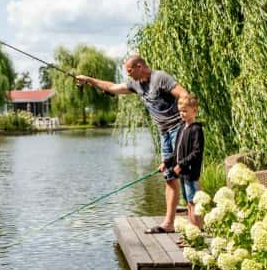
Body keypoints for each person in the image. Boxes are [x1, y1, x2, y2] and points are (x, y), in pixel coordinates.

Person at [76, 55, 188, 234]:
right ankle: (169, 223)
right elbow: (112, 87)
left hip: (179, 129)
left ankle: (195, 221)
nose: (128, 76)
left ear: (140, 66)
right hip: (164, 133)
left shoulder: (160, 78)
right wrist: (89, 80)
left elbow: (184, 94)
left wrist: (188, 123)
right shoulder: (136, 85)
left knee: (186, 173)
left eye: (129, 71)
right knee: (169, 176)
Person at [173, 93, 204, 228]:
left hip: (191, 173)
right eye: (180, 111)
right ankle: (192, 233)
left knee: (193, 202)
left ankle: (196, 232)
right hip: (183, 173)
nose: (182, 114)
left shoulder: (196, 129)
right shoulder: (182, 128)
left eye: (185, 111)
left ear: (194, 110)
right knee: (188, 202)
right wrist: (167, 162)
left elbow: (196, 152)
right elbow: (176, 151)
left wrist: (181, 164)